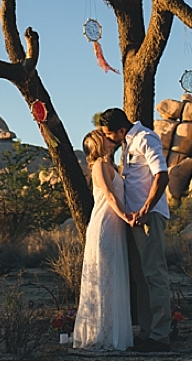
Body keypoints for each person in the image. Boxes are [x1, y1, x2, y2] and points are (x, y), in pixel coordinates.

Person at [99, 107, 172, 353]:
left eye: (110, 134)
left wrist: (145, 208)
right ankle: (147, 333)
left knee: (155, 276)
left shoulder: (145, 138)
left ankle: (160, 336)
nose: (108, 138)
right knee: (141, 278)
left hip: (149, 216)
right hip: (136, 220)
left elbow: (162, 175)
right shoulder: (128, 144)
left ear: (121, 130)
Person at [72, 130, 133, 351]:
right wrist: (125, 214)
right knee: (104, 279)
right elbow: (108, 194)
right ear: (99, 144)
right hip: (105, 226)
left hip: (115, 228)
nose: (110, 139)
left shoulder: (112, 167)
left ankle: (112, 332)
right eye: (104, 137)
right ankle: (101, 334)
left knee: (113, 278)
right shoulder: (98, 166)